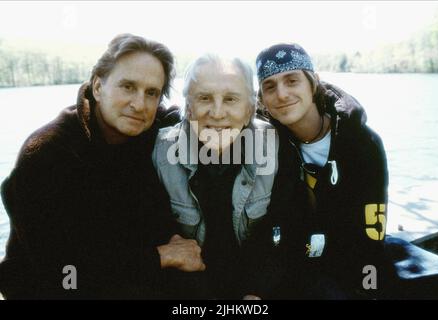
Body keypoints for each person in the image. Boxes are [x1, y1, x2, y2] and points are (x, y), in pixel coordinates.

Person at [0, 34, 205, 299]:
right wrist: (160, 256)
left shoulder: (148, 131)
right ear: (98, 87)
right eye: (127, 87)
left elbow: (194, 117)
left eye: (151, 92)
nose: (139, 104)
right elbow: (64, 275)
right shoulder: (48, 155)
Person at [248, 43, 396, 299]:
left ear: (313, 83)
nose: (281, 94)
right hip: (293, 268)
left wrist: (368, 289)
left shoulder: (360, 143)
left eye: (292, 81)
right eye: (269, 86)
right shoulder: (265, 144)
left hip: (347, 267)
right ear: (261, 97)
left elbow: (371, 234)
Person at [152, 54, 278, 299]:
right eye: (204, 98)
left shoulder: (273, 146)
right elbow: (159, 234)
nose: (218, 113)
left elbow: (282, 234)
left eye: (231, 99)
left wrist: (256, 291)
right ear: (188, 108)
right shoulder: (160, 153)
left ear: (250, 109)